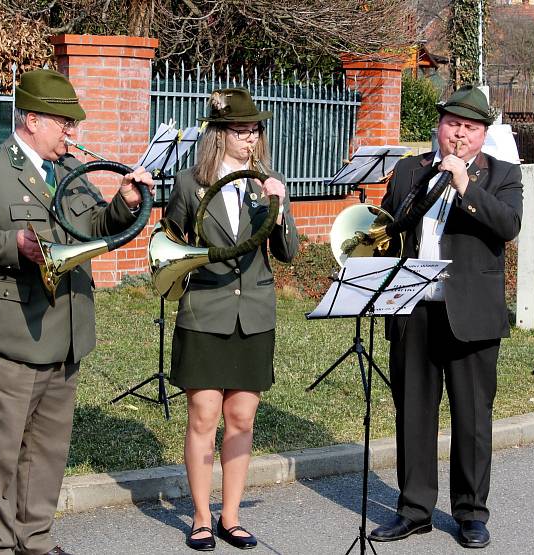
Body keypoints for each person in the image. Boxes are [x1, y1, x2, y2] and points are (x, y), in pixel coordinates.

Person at [0, 69, 154, 555]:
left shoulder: (69, 172)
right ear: (32, 119)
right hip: (11, 334)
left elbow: (95, 224)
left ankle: (34, 540)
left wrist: (125, 203)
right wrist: (12, 244)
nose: (71, 132)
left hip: (66, 331)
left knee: (48, 452)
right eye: (63, 122)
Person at [368, 85, 523, 549]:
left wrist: (464, 185)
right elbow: (389, 228)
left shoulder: (502, 175)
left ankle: (471, 513)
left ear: (482, 135)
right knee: (412, 413)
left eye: (470, 128)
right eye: (452, 124)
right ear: (440, 126)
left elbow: (507, 226)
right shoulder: (409, 170)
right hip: (413, 307)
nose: (459, 133)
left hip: (470, 313)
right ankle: (414, 509)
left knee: (472, 418)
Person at [164, 87, 299, 551]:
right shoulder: (188, 183)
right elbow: (171, 245)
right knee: (204, 414)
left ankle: (231, 515)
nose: (249, 139)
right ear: (218, 135)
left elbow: (289, 253)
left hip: (253, 313)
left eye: (254, 130)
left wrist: (280, 208)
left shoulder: (267, 182)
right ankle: (201, 517)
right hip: (205, 311)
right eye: (239, 131)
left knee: (241, 417)